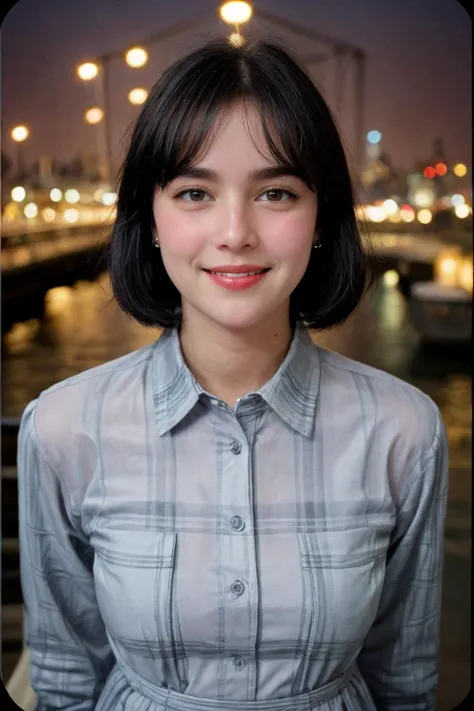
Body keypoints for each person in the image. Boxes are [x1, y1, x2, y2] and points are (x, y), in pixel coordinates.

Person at [17, 37, 448, 711]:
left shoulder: (403, 431)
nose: (235, 231)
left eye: (275, 192)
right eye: (194, 192)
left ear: (320, 220)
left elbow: (407, 680)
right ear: (151, 219)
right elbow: (67, 681)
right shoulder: (64, 430)